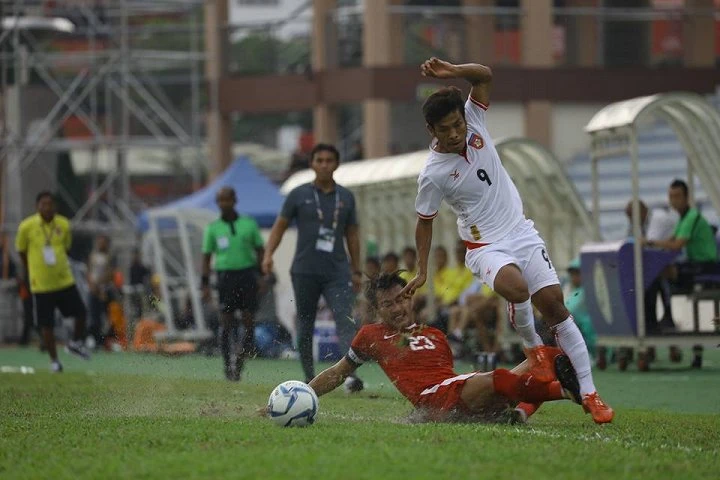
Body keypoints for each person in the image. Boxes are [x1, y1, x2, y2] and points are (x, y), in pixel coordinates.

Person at [401, 57, 612, 423]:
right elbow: (425, 222)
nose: (455, 133)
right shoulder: (432, 174)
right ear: (430, 129)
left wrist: (453, 72)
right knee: (517, 289)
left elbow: (484, 76)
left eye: (457, 124)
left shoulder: (475, 120)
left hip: (521, 232)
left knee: (555, 306)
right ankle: (535, 351)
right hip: (485, 246)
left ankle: (590, 394)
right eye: (445, 129)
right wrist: (421, 270)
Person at [307, 272, 581, 424]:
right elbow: (338, 372)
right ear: (377, 310)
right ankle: (564, 391)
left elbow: (448, 375)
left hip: (458, 393)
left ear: (410, 298)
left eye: (400, 300)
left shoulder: (435, 334)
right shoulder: (371, 334)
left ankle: (518, 414)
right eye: (388, 304)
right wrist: (306, 393)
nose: (397, 308)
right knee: (498, 378)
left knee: (546, 356)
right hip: (434, 398)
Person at [262, 143, 364, 391]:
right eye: (320, 160)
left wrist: (356, 269)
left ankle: (349, 376)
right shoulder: (298, 195)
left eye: (329, 160)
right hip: (304, 270)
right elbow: (280, 226)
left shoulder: (346, 197)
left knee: (345, 320)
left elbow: (352, 235)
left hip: (337, 270)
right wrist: (268, 255)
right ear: (312, 164)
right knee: (305, 323)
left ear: (336, 164)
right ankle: (309, 377)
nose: (324, 165)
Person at [15, 191, 90, 372]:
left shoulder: (63, 224)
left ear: (55, 206)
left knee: (81, 312)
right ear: (37, 206)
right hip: (41, 284)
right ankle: (54, 361)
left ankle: (75, 343)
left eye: (50, 204)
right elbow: (21, 251)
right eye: (43, 204)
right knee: (46, 324)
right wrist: (31, 269)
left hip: (64, 280)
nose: (47, 208)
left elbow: (66, 248)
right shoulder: (26, 226)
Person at [202, 187, 265, 381]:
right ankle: (226, 365)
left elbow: (260, 249)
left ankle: (239, 360)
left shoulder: (248, 224)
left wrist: (262, 275)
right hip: (225, 278)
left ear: (234, 201)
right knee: (226, 323)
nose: (224, 204)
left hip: (247, 275)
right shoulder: (213, 228)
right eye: (221, 200)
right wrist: (204, 284)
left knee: (249, 322)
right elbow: (206, 257)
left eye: (227, 200)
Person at [644, 179, 719, 330]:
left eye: (677, 196)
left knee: (661, 272)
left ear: (686, 197)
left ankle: (664, 317)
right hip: (695, 264)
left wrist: (650, 242)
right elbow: (670, 241)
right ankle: (659, 317)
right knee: (656, 270)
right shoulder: (682, 218)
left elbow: (677, 245)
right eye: (671, 196)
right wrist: (651, 245)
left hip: (707, 266)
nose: (674, 200)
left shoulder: (692, 217)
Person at [86, 234, 115, 349]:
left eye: (103, 242)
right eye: (99, 242)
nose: (100, 244)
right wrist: (92, 285)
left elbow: (110, 274)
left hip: (104, 290)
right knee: (94, 316)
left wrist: (99, 284)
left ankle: (106, 340)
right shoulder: (92, 256)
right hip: (93, 290)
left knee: (106, 316)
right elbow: (89, 271)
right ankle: (94, 338)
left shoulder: (109, 257)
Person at [564, 258, 596, 358]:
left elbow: (569, 309)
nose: (574, 277)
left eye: (578, 273)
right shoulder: (571, 290)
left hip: (590, 336)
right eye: (572, 274)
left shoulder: (589, 290)